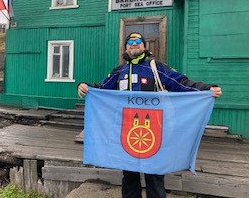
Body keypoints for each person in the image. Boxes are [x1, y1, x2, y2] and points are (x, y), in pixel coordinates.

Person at [77, 32, 222, 198]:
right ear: (125, 47)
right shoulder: (119, 71)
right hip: (127, 130)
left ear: (144, 46)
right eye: (130, 42)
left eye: (138, 41)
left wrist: (205, 89)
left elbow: (180, 83)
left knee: (154, 174)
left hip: (153, 129)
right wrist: (85, 86)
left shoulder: (155, 67)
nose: (134, 44)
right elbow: (102, 88)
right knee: (129, 174)